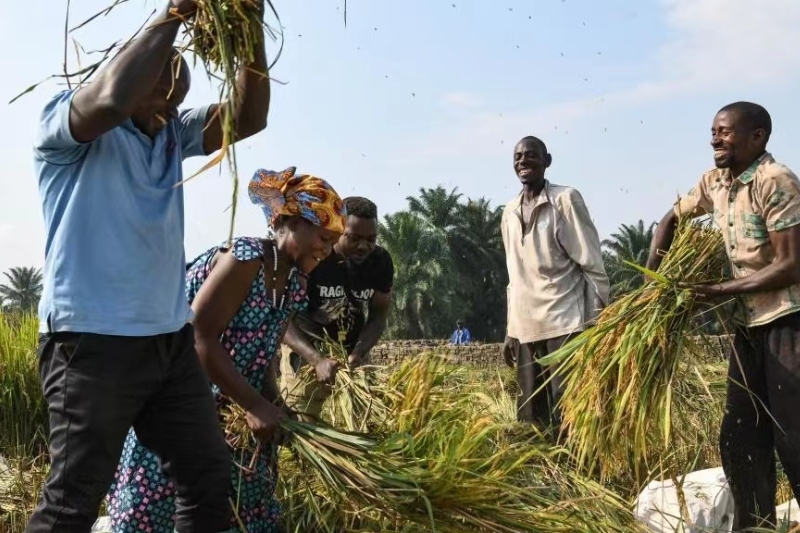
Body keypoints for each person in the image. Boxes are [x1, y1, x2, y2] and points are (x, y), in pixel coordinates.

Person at [26, 0, 271, 530]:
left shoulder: (169, 134)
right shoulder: (65, 126)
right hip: (92, 344)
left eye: (176, 90)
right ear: (123, 69)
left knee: (207, 479)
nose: (170, 98)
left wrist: (248, 22)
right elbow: (112, 98)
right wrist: (178, 11)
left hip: (168, 342)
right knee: (73, 500)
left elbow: (249, 116)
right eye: (160, 86)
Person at [105, 167, 346, 533]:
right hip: (182, 402)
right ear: (293, 220)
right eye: (323, 237)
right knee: (163, 510)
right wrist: (253, 404)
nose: (326, 250)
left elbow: (264, 351)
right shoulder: (245, 259)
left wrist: (272, 400)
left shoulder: (295, 281)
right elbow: (199, 336)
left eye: (332, 243)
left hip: (231, 410)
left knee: (240, 513)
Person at [646, 102, 800, 532]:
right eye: (714, 131)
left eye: (727, 132)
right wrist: (654, 281)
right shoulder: (715, 182)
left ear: (759, 136)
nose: (716, 138)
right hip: (745, 326)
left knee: (793, 436)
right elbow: (671, 218)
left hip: (787, 323)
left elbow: (790, 265)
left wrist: (715, 291)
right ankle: (756, 526)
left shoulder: (776, 181)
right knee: (740, 435)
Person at [500, 136, 609, 429]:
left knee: (567, 411)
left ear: (547, 161)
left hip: (565, 324)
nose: (524, 161)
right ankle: (544, 474)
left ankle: (575, 470)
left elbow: (592, 263)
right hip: (525, 327)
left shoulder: (565, 200)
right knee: (530, 416)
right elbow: (515, 277)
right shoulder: (509, 212)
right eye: (518, 156)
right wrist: (511, 329)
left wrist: (600, 322)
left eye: (531, 155)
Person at [280, 196, 394, 422]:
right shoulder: (315, 257)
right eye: (354, 238)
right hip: (307, 349)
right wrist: (317, 360)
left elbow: (378, 316)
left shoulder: (380, 262)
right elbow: (283, 321)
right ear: (338, 228)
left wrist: (358, 353)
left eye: (371, 239)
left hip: (352, 351)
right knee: (302, 422)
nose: (364, 246)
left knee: (366, 423)